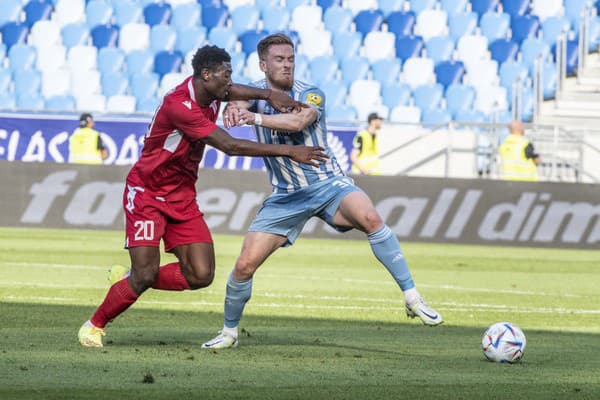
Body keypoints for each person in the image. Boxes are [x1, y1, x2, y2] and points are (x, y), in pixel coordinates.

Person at [202, 34, 443, 350]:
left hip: (328, 184)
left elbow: (298, 121)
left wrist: (254, 117)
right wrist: (235, 108)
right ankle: (229, 333)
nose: (287, 64)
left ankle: (412, 297)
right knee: (245, 265)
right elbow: (236, 98)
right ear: (263, 64)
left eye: (290, 59)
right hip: (286, 195)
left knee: (370, 216)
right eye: (279, 59)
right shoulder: (255, 93)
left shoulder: (311, 94)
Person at [77, 45, 329, 348]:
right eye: (225, 76)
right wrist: (291, 150)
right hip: (147, 192)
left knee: (201, 274)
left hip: (181, 195)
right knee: (145, 275)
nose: (230, 83)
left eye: (230, 75)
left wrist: (268, 95)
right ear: (206, 75)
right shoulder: (179, 105)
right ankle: (94, 326)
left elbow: (232, 90)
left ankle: (131, 276)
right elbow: (231, 147)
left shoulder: (212, 90)